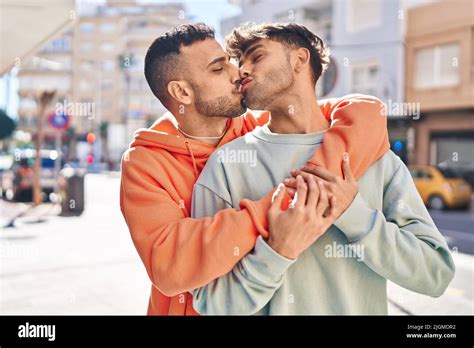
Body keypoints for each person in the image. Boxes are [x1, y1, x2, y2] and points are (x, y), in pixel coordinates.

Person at [120, 23, 390, 315]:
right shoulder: (144, 163)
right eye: (218, 69)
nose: (238, 73)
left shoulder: (259, 129)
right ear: (182, 92)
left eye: (230, 62)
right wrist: (278, 210)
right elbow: (169, 265)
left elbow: (364, 112)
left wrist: (304, 191)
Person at [190, 22, 455, 315]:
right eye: (240, 62)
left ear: (300, 59)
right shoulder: (226, 165)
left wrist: (353, 215)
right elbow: (210, 305)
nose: (242, 70)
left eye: (257, 56)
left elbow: (436, 274)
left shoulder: (375, 156)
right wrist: (278, 251)